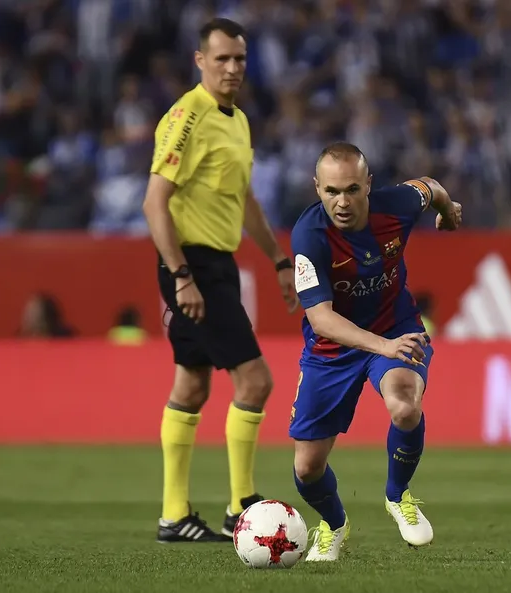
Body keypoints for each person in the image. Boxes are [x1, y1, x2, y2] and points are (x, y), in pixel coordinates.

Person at [142, 18, 297, 543]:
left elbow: (245, 201)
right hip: (194, 266)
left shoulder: (238, 121)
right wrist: (182, 276)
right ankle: (242, 507)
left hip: (218, 265)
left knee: (192, 383)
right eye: (222, 59)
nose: (233, 68)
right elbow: (154, 202)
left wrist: (278, 259)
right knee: (255, 381)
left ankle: (173, 515)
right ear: (200, 61)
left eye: (240, 59)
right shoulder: (187, 117)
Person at [287, 142, 462, 561]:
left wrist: (449, 212)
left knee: (405, 407)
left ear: (368, 184)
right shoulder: (308, 236)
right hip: (333, 347)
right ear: (317, 188)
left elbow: (431, 187)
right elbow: (323, 319)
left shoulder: (396, 205)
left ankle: (398, 495)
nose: (342, 202)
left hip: (395, 327)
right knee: (307, 469)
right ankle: (333, 525)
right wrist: (383, 346)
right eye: (331, 192)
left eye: (351, 189)